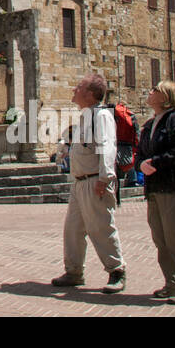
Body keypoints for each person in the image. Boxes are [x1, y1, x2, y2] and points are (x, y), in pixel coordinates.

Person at [50, 75, 126, 294]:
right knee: (73, 230)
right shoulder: (86, 116)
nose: (74, 89)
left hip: (95, 181)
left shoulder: (101, 116)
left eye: (80, 87)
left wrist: (105, 178)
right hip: (80, 182)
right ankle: (74, 272)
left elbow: (107, 147)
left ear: (91, 94)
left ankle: (117, 270)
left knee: (101, 227)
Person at [138, 79, 175, 305]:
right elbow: (140, 152)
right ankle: (171, 283)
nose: (150, 92)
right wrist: (141, 164)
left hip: (173, 188)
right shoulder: (151, 123)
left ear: (165, 97)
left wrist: (156, 162)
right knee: (161, 240)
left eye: (155, 90)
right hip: (154, 189)